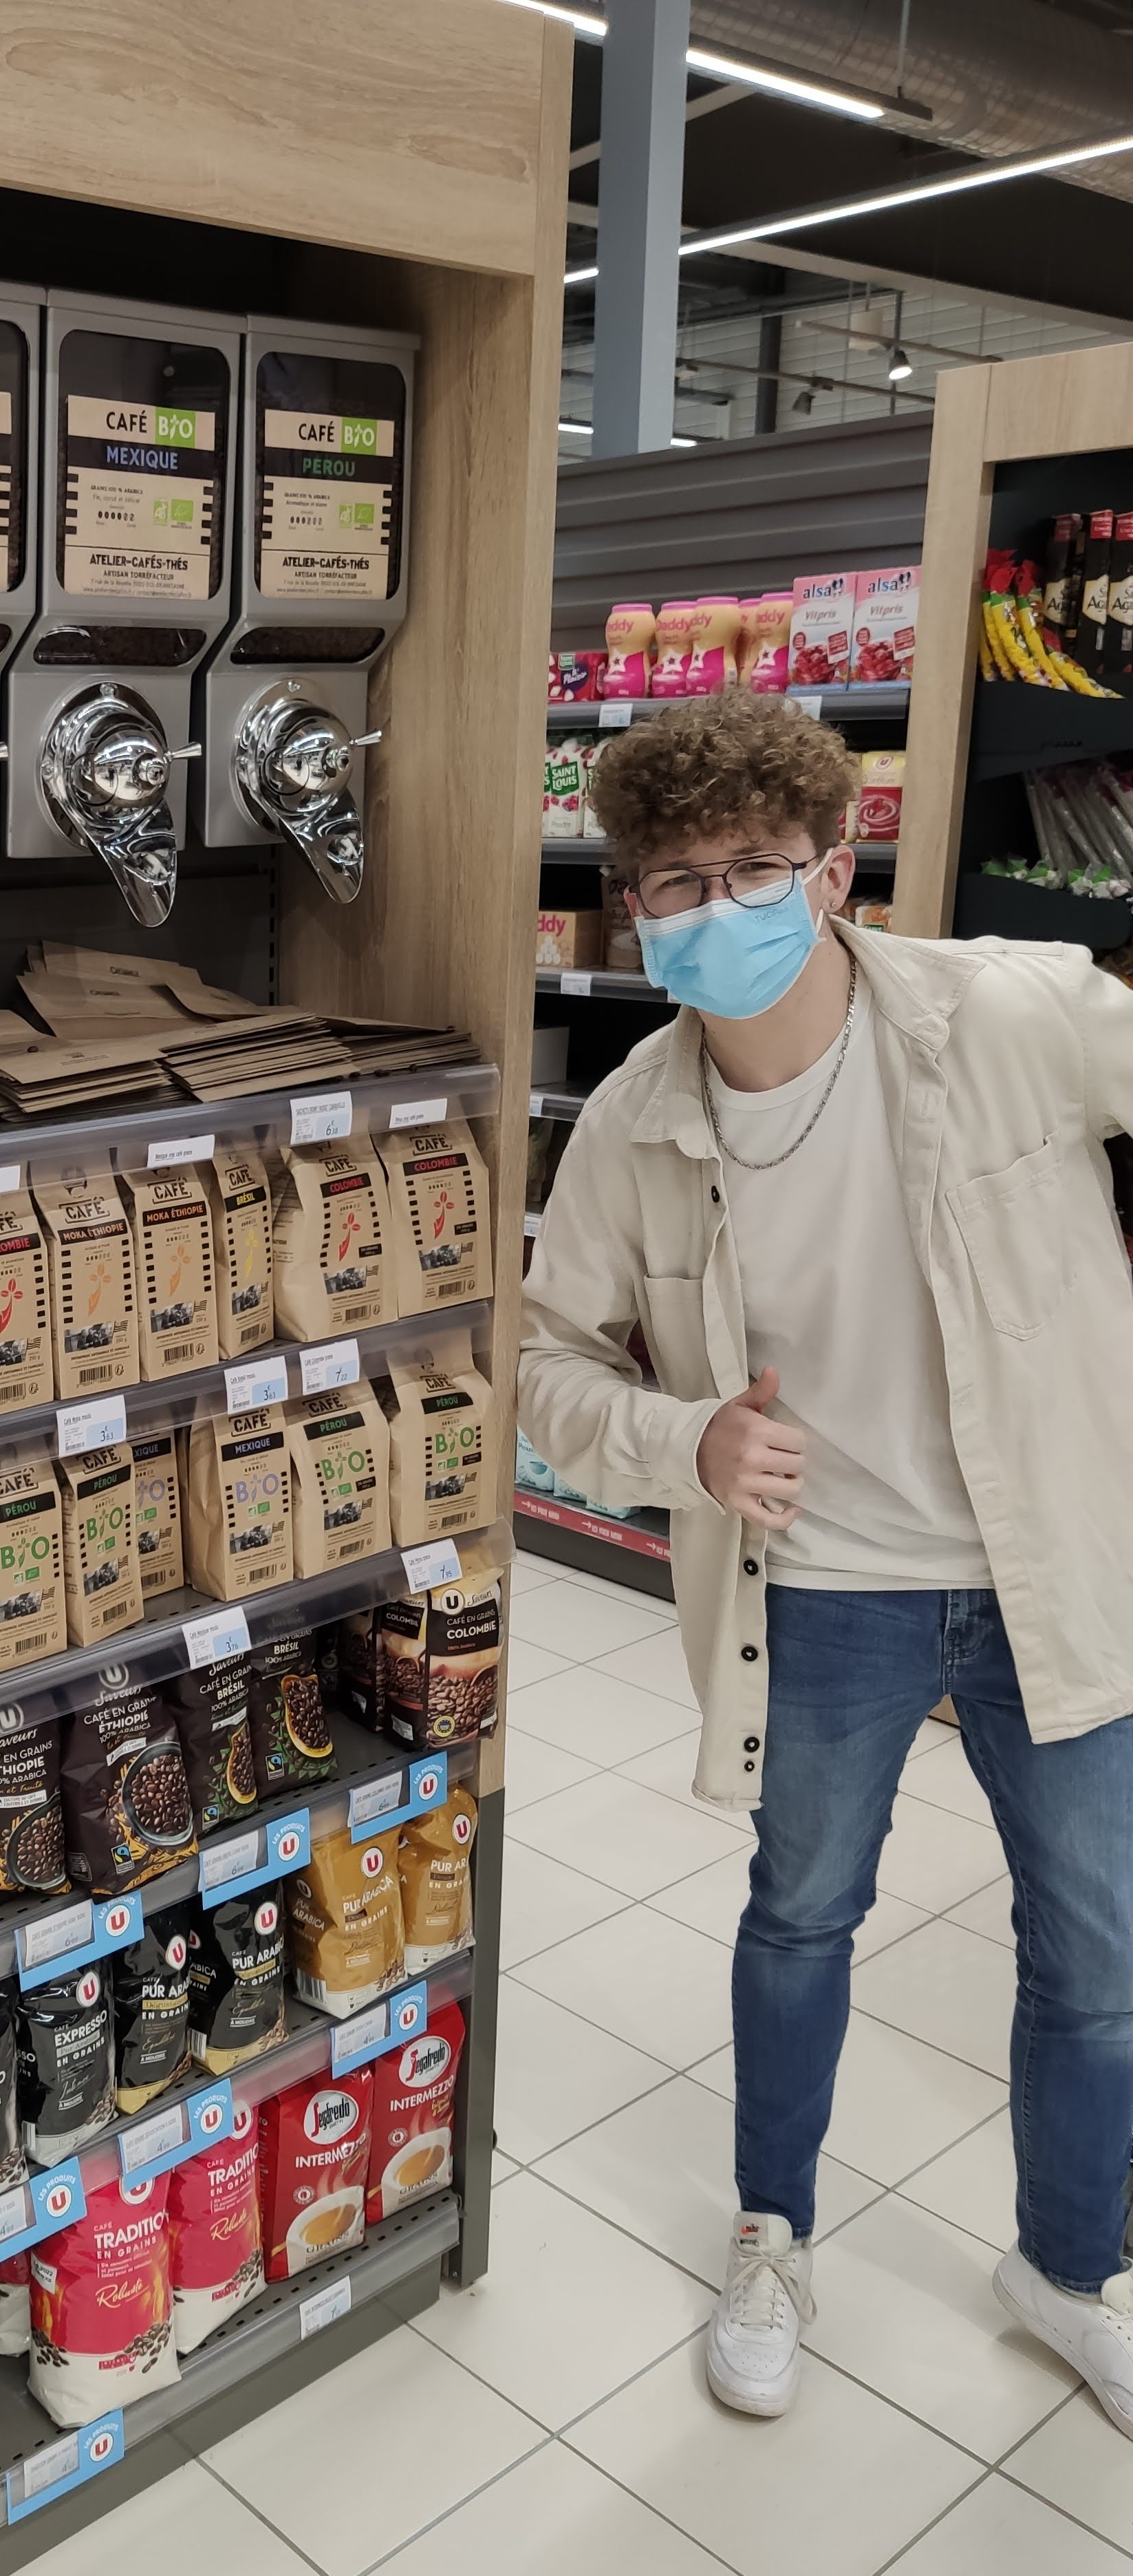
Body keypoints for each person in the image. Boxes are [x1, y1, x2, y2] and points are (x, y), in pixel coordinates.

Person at [518, 689, 1133, 2435]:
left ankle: (1069, 2268)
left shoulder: (1004, 1013)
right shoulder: (634, 1123)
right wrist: (686, 1443)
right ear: (632, 902)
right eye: (675, 880)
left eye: (753, 868)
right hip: (827, 1594)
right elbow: (547, 1365)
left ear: (834, 870)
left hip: (1054, 1572)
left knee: (1099, 1954)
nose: (715, 907)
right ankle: (772, 2235)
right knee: (802, 1917)